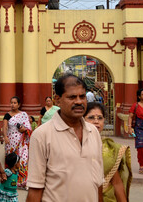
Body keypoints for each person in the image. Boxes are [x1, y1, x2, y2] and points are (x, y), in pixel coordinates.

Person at [26, 74, 103, 202]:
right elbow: (35, 188)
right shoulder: (42, 135)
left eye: (82, 96)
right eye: (72, 97)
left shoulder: (93, 131)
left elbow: (98, 183)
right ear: (57, 100)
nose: (79, 101)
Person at [85, 102, 132, 202]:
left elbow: (117, 183)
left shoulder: (111, 149)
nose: (96, 121)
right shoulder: (73, 146)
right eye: (91, 117)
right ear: (82, 120)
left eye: (100, 118)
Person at [3, 96, 31, 188]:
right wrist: (5, 137)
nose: (13, 105)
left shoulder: (23, 115)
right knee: (12, 161)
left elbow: (28, 128)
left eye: (15, 103)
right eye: (11, 102)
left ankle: (23, 181)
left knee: (23, 160)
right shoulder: (7, 115)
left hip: (22, 141)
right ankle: (11, 180)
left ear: (19, 104)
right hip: (11, 142)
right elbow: (5, 127)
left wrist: (24, 129)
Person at [128, 88, 143, 174]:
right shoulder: (135, 105)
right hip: (139, 128)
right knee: (141, 147)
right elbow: (130, 116)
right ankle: (141, 166)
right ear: (139, 96)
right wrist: (129, 127)